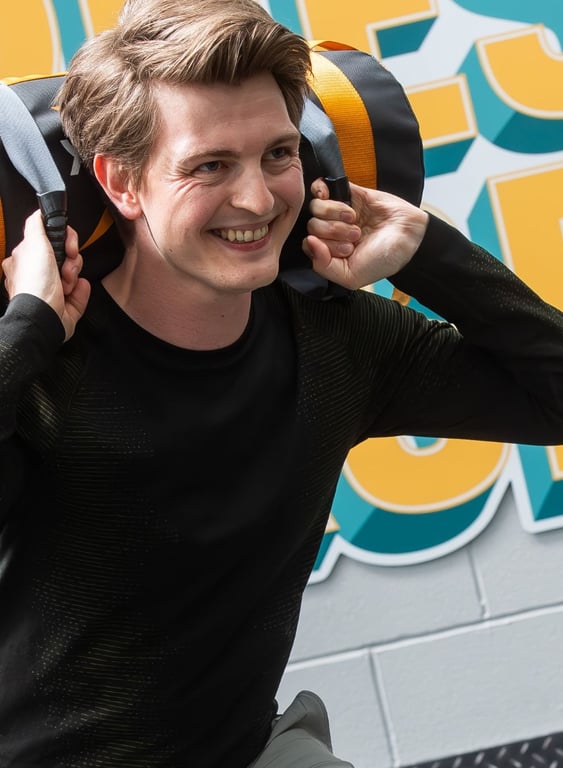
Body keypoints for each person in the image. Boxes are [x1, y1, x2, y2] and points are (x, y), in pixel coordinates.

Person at [1, 1, 563, 766]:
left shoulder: (342, 343)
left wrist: (430, 253)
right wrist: (26, 329)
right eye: (209, 166)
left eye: (277, 154)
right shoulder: (45, 369)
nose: (259, 200)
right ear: (122, 183)